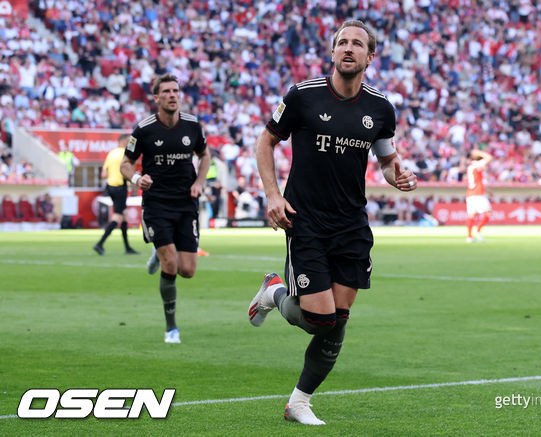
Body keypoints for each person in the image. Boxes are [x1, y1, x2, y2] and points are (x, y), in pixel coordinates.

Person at [247, 20, 417, 426]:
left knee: (338, 319)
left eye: (357, 44)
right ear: (333, 51)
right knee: (319, 319)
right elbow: (265, 141)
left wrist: (398, 175)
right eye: (342, 42)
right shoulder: (303, 96)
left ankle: (299, 403)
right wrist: (273, 195)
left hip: (351, 225)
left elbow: (387, 160)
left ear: (369, 57)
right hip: (305, 220)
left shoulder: (381, 109)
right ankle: (274, 292)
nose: (348, 48)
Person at [120, 74, 211, 344]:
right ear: (156, 98)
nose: (172, 95)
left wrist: (199, 182)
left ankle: (158, 252)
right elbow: (125, 164)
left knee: (188, 270)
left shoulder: (192, 125)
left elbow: (204, 155)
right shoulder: (144, 129)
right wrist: (137, 179)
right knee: (170, 263)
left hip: (186, 203)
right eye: (167, 91)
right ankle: (171, 328)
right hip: (157, 203)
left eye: (175, 91)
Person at [93, 134, 139, 255]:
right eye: (128, 141)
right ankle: (100, 243)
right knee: (118, 215)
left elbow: (103, 174)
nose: (130, 143)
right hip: (120, 187)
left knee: (124, 216)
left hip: (110, 187)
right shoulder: (126, 154)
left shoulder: (111, 153)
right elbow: (130, 172)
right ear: (123, 142)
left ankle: (127, 248)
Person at [465, 149, 493, 242]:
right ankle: (478, 231)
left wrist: (488, 191)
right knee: (488, 212)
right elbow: (489, 158)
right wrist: (478, 153)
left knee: (472, 215)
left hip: (470, 194)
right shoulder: (476, 165)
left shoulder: (470, 167)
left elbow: (478, 181)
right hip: (477, 194)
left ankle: (469, 237)